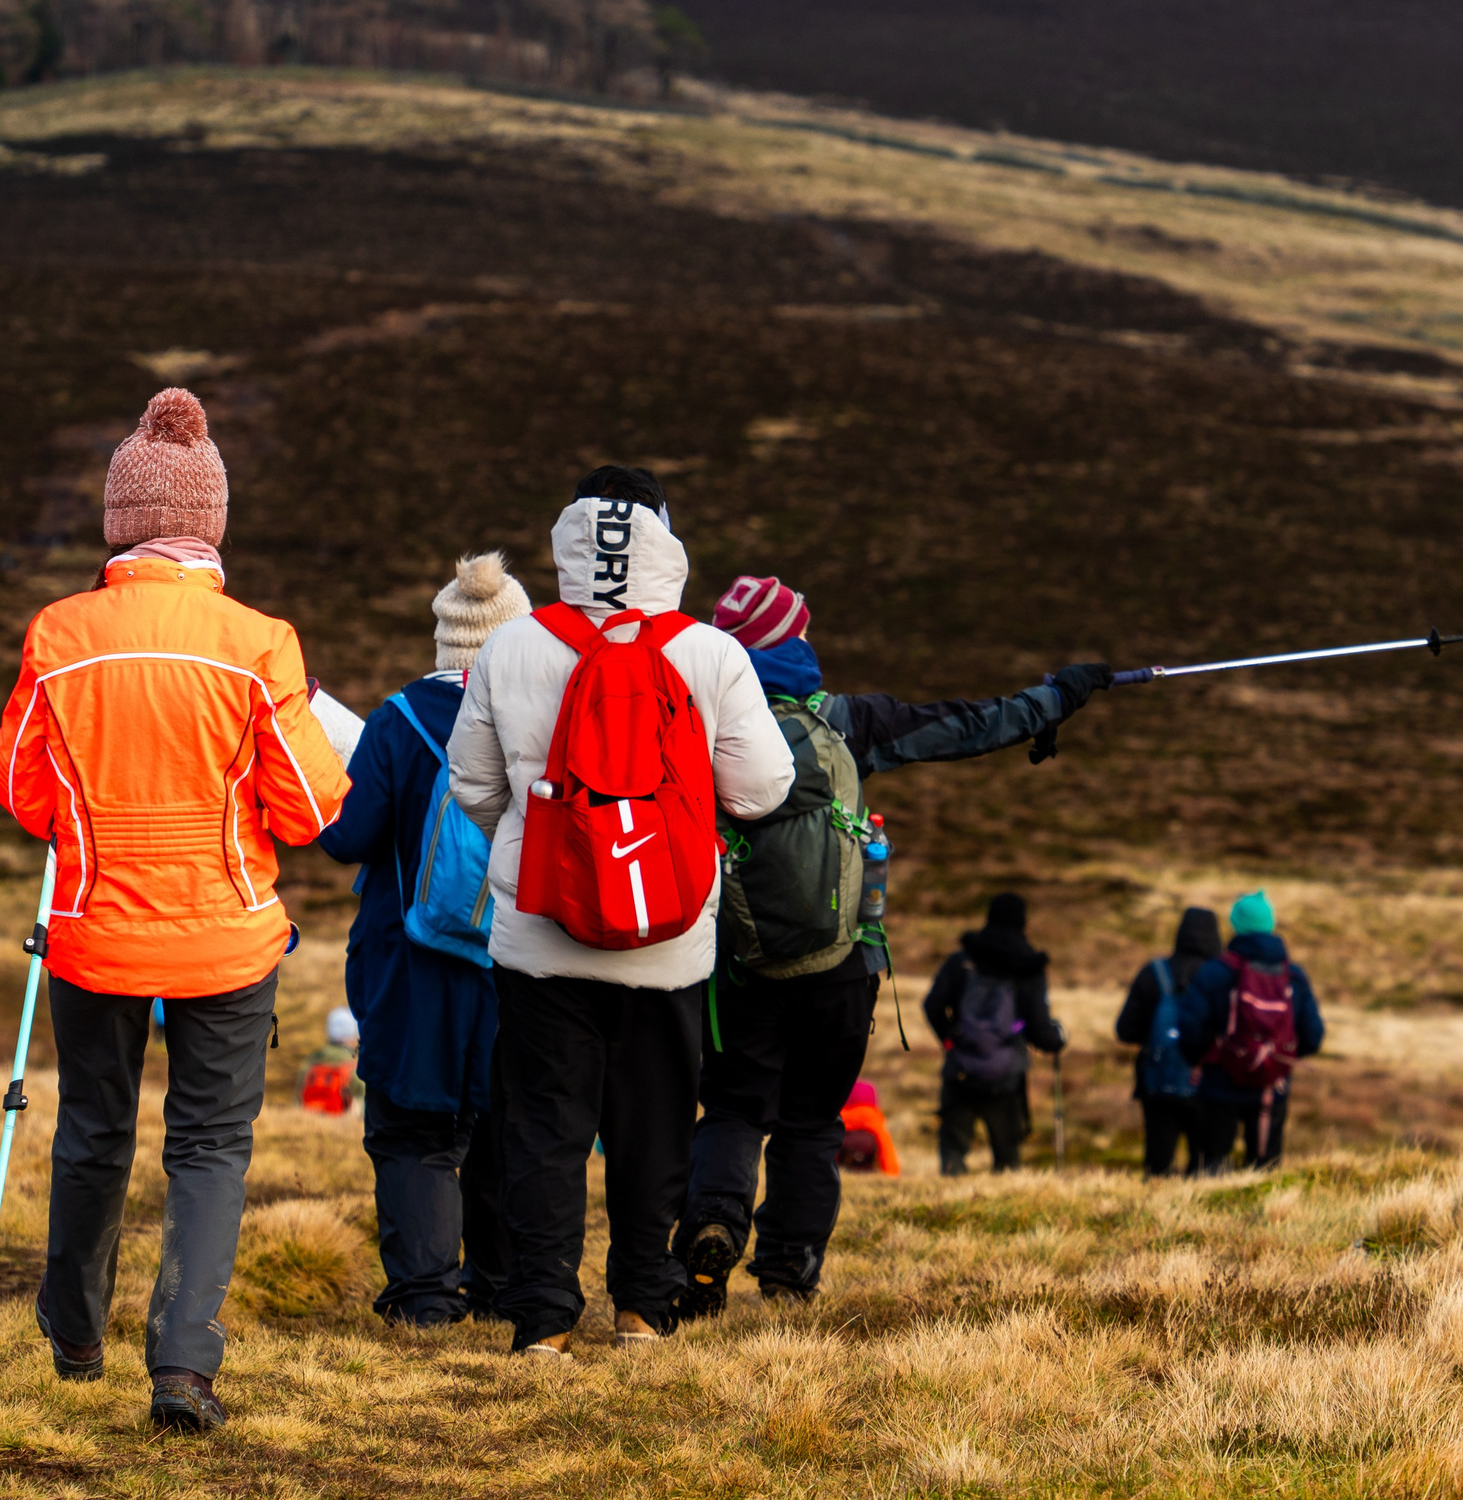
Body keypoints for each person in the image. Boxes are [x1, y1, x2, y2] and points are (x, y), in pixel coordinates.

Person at [0, 387, 349, 1434]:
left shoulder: (59, 635)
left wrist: (88, 827)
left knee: (92, 1129)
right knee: (209, 1146)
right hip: (227, 937)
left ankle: (74, 1329)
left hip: (94, 931)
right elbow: (315, 800)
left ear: (121, 525)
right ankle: (183, 1366)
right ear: (210, 526)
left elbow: (18, 785)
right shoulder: (259, 643)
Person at [675, 574, 1111, 1311]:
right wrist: (1053, 699)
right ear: (791, 642)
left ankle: (712, 1227)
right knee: (811, 1123)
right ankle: (788, 1276)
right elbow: (966, 726)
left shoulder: (701, 726)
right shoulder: (848, 721)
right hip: (841, 968)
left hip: (739, 970)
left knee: (735, 1111)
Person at [446, 466, 793, 1357]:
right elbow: (760, 790)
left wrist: (541, 840)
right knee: (656, 1128)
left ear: (569, 534)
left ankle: (543, 1323)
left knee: (543, 1134)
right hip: (670, 941)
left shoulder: (514, 646)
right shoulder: (712, 653)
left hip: (540, 938)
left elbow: (472, 786)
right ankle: (642, 1308)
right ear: (664, 539)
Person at [316, 552, 528, 1330]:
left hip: (412, 964)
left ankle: (428, 1298)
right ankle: (506, 1288)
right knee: (505, 1122)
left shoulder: (399, 720)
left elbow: (349, 839)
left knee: (414, 1128)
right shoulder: (539, 716)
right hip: (517, 957)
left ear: (444, 639)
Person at [1179, 891, 1324, 1173]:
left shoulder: (1214, 972)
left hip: (1219, 1084)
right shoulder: (1293, 975)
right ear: (1271, 924)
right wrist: (1280, 1060)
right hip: (1272, 1089)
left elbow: (1191, 1028)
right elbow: (1313, 1034)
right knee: (1266, 1171)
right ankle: (1269, 1216)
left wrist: (1199, 1060)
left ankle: (1210, 1217)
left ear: (1236, 925)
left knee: (1213, 1169)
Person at [923, 893, 1067, 1175]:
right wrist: (1058, 1037)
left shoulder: (961, 961)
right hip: (1007, 1076)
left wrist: (950, 1038)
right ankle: (1005, 1206)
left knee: (953, 1148)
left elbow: (933, 1005)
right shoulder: (1029, 967)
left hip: (961, 1071)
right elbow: (1040, 1031)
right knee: (1008, 1156)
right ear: (1022, 922)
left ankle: (950, 1206)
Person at [1112, 906, 1223, 1177]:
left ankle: (1151, 1215)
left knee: (1157, 1164)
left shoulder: (1154, 973)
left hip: (1158, 1084)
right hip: (1208, 1084)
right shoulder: (1221, 976)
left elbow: (1125, 1030)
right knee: (1207, 1167)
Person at [836, 1079, 901, 1175]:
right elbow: (886, 1148)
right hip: (867, 1163)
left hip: (842, 1160)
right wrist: (892, 1173)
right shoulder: (874, 1118)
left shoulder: (838, 1118)